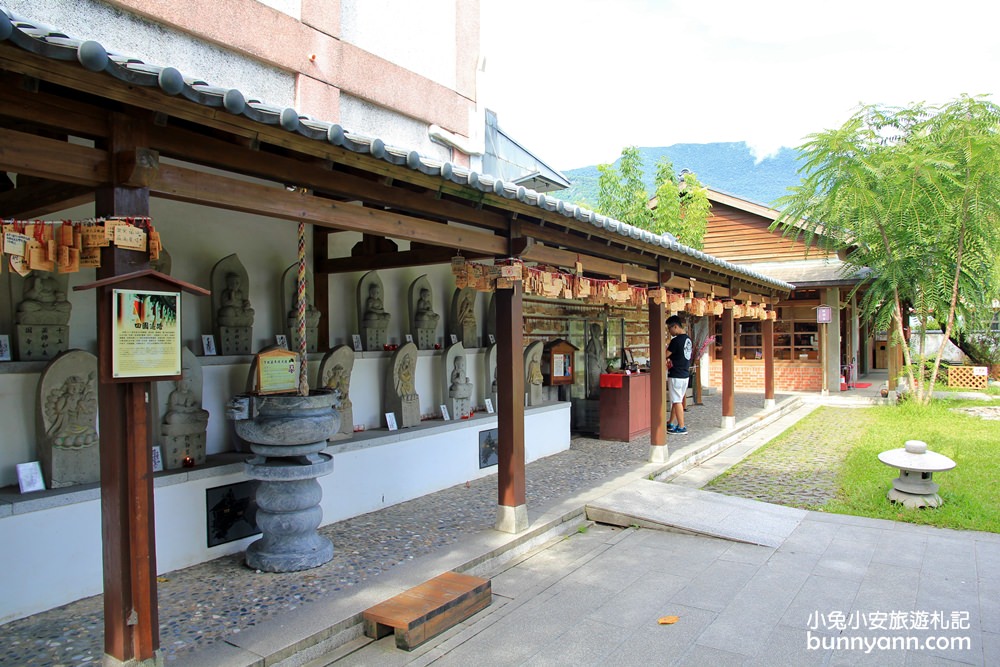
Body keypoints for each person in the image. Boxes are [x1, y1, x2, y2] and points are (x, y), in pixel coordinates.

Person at [665, 315, 692, 435]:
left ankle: (682, 426)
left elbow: (664, 355)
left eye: (669, 329)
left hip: (676, 375)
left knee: (676, 401)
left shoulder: (675, 341)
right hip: (685, 374)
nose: (669, 332)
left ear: (675, 326)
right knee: (677, 400)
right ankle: (670, 422)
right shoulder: (687, 339)